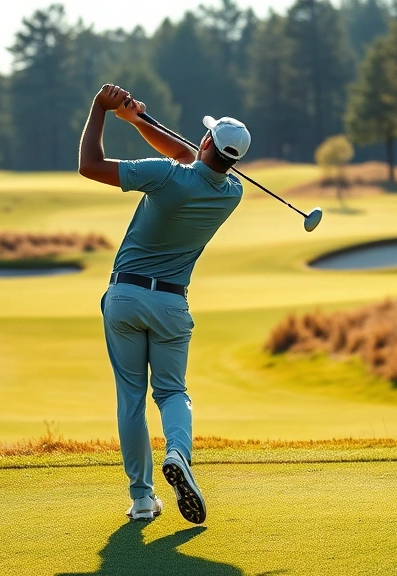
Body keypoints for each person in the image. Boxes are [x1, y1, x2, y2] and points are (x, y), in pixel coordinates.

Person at [77, 83, 250, 524]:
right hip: (172, 305)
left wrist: (101, 109)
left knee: (131, 400)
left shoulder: (165, 175)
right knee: (172, 392)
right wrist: (137, 121)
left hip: (125, 297)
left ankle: (141, 499)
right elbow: (192, 157)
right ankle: (178, 453)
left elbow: (89, 166)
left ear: (206, 141)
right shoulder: (231, 194)